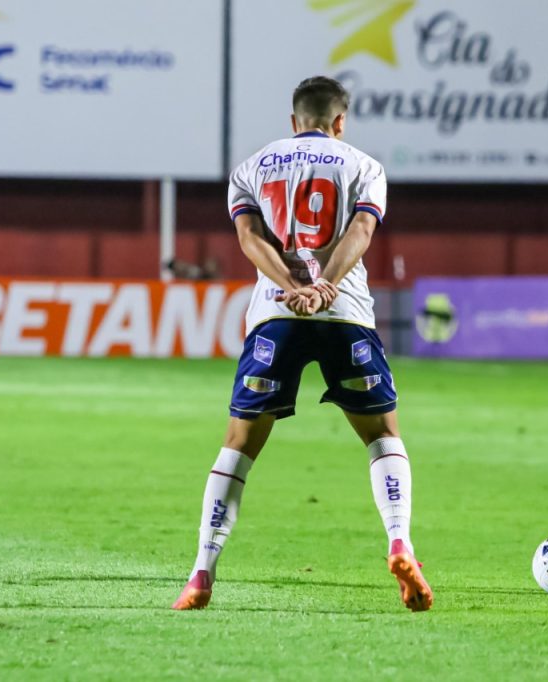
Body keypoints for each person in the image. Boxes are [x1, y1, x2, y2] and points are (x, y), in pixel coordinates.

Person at [172, 76, 433, 612]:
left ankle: (201, 573)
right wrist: (324, 286)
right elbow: (361, 232)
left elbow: (250, 240)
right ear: (341, 122)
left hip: (276, 315)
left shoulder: (251, 168)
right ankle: (400, 542)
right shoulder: (364, 166)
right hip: (345, 313)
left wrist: (293, 288)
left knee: (239, 445)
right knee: (382, 436)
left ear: (293, 122)